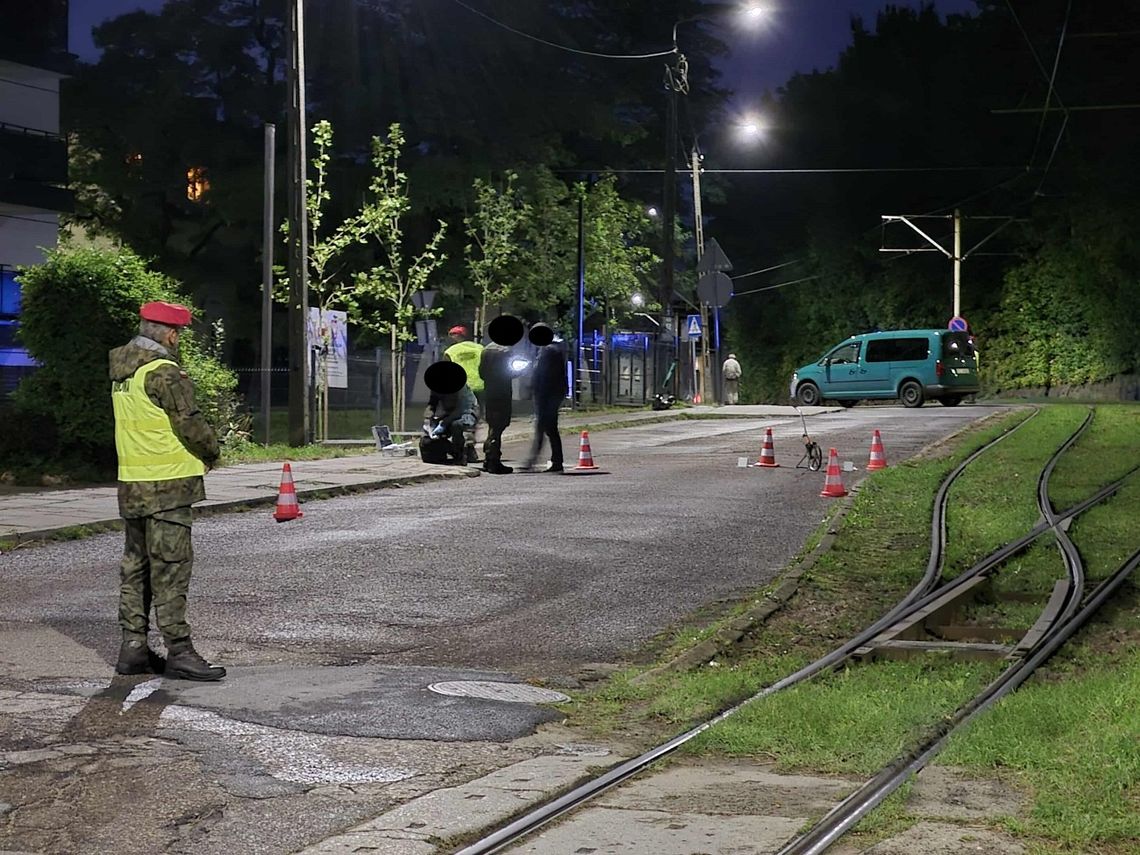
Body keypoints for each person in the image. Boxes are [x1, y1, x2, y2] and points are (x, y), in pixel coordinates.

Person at [109, 301, 225, 681]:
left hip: (133, 484)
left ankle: (133, 649)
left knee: (136, 568)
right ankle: (180, 652)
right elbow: (188, 424)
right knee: (171, 569)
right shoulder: (163, 373)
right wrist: (212, 451)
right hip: (169, 487)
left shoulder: (122, 373)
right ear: (171, 334)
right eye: (178, 335)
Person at [479, 315, 525, 474]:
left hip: (489, 391)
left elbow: (482, 373)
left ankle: (489, 458)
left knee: (493, 424)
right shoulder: (506, 351)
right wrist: (521, 370)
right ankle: (493, 460)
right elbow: (509, 372)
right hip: (502, 392)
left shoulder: (486, 350)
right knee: (499, 425)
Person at [521, 323, 567, 473]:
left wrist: (534, 387)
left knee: (545, 427)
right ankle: (554, 461)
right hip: (550, 394)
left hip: (548, 395)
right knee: (548, 428)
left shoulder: (549, 350)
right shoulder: (550, 349)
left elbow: (545, 375)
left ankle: (534, 461)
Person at [421, 361, 478, 465]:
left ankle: (464, 450)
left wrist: (444, 423)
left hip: (467, 412)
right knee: (432, 437)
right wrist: (428, 420)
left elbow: (461, 409)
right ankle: (453, 451)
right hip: (450, 413)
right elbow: (432, 404)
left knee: (457, 425)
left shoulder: (461, 388)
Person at [443, 324, 485, 463]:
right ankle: (469, 448)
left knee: (460, 418)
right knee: (474, 417)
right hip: (480, 386)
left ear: (453, 336)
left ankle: (462, 451)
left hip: (461, 388)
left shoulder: (450, 351)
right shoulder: (479, 348)